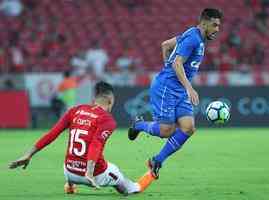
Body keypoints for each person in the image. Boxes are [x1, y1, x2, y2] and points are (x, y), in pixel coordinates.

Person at [9, 81, 155, 195]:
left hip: (69, 170)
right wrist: (89, 172)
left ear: (94, 98)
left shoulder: (75, 110)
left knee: (73, 159)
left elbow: (52, 134)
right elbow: (95, 144)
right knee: (130, 187)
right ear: (110, 100)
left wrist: (29, 154)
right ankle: (152, 172)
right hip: (93, 175)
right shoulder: (107, 120)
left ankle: (70, 185)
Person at [128, 8, 223, 178]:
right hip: (166, 88)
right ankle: (138, 125)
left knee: (188, 128)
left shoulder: (194, 36)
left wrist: (170, 70)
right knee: (166, 130)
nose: (217, 29)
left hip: (177, 88)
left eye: (219, 26)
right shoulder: (193, 39)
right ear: (204, 23)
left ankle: (157, 160)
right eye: (214, 25)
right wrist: (188, 87)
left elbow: (165, 45)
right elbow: (177, 64)